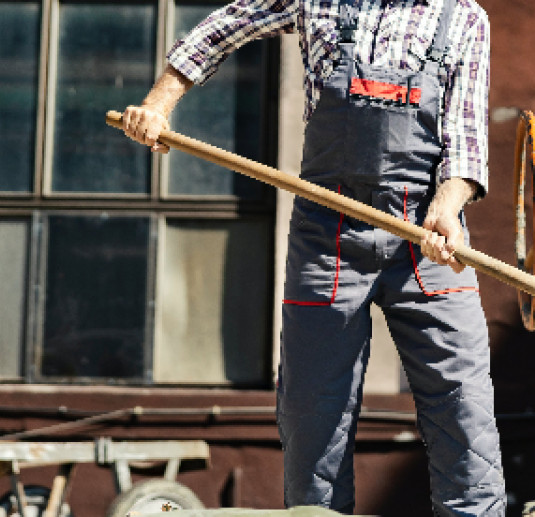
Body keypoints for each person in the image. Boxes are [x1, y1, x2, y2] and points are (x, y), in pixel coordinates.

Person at [120, 0, 504, 515]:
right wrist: (158, 104)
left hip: (426, 238)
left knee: (465, 409)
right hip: (329, 237)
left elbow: (467, 138)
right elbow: (223, 26)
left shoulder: (463, 17)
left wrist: (447, 207)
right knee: (313, 418)